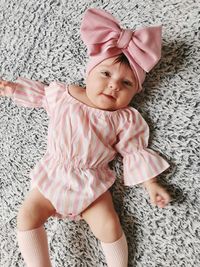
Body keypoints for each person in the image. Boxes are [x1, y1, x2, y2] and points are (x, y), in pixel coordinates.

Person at [0, 8, 171, 267]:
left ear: (136, 92)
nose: (114, 85)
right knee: (26, 216)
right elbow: (39, 95)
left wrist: (151, 184)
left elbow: (134, 152)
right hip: (53, 175)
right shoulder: (62, 94)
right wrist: (12, 88)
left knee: (109, 225)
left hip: (93, 184)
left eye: (126, 84)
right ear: (89, 72)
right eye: (105, 74)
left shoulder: (124, 118)